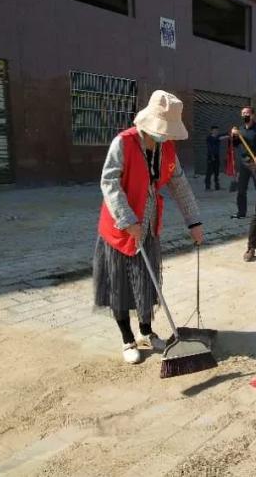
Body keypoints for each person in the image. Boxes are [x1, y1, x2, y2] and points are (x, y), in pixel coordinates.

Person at [93, 90, 204, 364]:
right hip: (121, 228)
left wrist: (195, 222)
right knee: (119, 286)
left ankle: (146, 332)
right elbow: (109, 182)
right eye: (162, 131)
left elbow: (179, 184)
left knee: (146, 283)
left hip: (149, 226)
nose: (164, 136)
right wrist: (128, 219)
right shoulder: (124, 142)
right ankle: (127, 339)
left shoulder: (166, 148)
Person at [230, 107, 256, 219]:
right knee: (241, 189)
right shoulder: (240, 129)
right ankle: (241, 213)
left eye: (247, 113)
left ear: (252, 115)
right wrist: (234, 136)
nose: (245, 115)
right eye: (243, 113)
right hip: (243, 163)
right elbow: (236, 145)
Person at [205, 125, 229, 191]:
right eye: (214, 130)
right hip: (210, 156)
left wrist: (230, 132)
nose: (216, 132)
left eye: (217, 130)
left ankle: (217, 186)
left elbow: (225, 135)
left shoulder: (218, 137)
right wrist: (212, 156)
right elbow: (210, 147)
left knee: (216, 172)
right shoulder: (209, 138)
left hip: (216, 156)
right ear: (211, 131)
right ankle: (207, 187)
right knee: (209, 172)